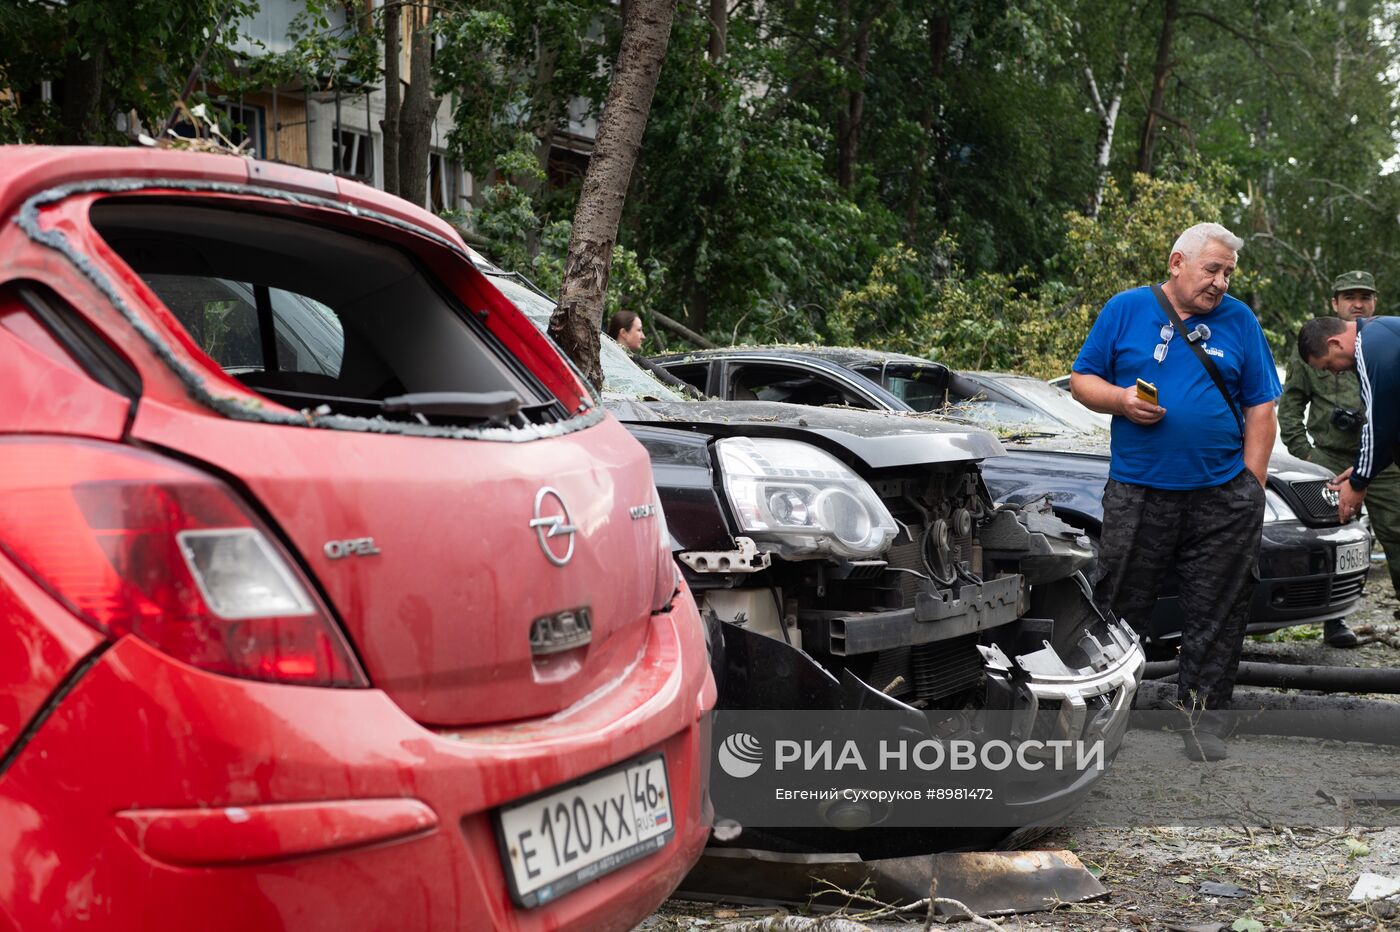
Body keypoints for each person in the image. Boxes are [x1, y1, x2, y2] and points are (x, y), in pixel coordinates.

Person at [1070, 222, 1281, 762]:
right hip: (1139, 492)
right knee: (1119, 606)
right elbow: (1081, 379)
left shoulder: (1241, 320)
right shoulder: (1126, 309)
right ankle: (1102, 722)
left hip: (1222, 497)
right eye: (1212, 269)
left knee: (1218, 610)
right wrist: (1120, 400)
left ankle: (1202, 724)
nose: (1221, 283)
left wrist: (1251, 487)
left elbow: (1261, 407)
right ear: (1176, 263)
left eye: (1228, 273)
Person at [1280, 271, 1400, 646]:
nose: (1358, 303)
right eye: (1350, 296)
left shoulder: (1376, 348)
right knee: (1333, 539)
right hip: (1332, 459)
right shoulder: (1321, 345)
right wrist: (1309, 460)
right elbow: (1289, 411)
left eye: (1365, 296)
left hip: (1381, 459)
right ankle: (1334, 618)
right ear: (1336, 303)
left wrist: (1363, 476)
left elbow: (1382, 422)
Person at [1297, 314, 1400, 541]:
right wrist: (1364, 469)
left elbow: (1379, 423)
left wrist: (1358, 482)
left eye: (1329, 365)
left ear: (1334, 343)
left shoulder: (1368, 345)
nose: (1335, 372)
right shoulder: (1381, 331)